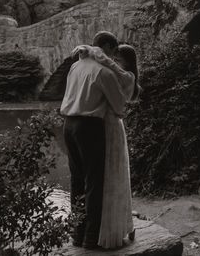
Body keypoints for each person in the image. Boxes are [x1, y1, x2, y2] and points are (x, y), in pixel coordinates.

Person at [60, 31, 127, 250]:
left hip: (68, 125)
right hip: (89, 128)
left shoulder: (75, 66)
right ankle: (90, 238)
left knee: (76, 180)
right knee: (94, 183)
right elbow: (119, 108)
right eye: (113, 52)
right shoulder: (103, 72)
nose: (113, 58)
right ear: (106, 47)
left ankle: (77, 234)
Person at [74, 43, 140, 249]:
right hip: (101, 126)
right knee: (101, 178)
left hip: (110, 126)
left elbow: (119, 103)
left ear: (128, 61)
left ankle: (110, 228)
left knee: (111, 177)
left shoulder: (126, 76)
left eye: (119, 57)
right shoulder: (111, 72)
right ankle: (92, 229)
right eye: (115, 56)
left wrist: (96, 52)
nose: (115, 60)